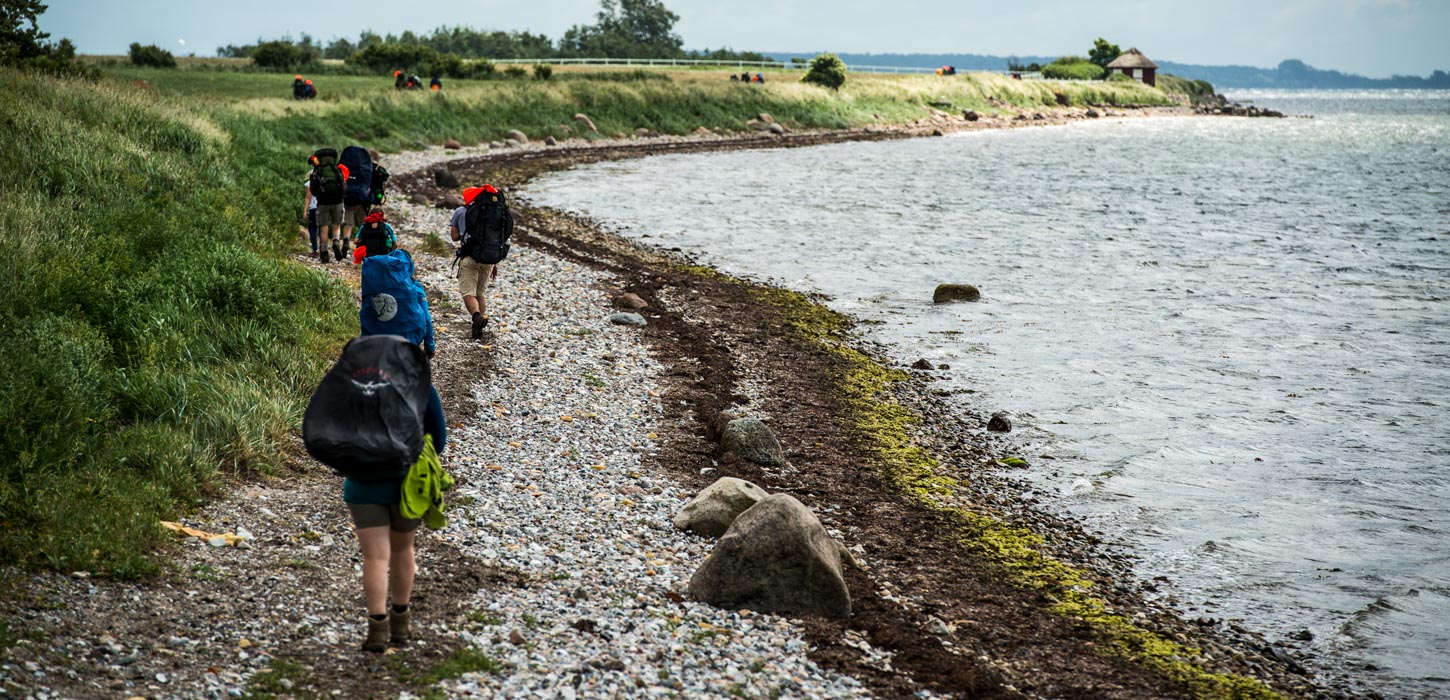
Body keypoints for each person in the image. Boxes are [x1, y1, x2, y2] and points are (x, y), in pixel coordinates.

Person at [343, 373, 445, 652]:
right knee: (403, 550)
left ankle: (377, 629)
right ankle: (401, 624)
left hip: (363, 486)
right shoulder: (423, 389)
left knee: (374, 557)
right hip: (408, 485)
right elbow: (439, 441)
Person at [449, 186, 502, 340]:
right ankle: (480, 324)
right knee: (480, 293)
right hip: (489, 258)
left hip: (470, 257)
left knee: (468, 293)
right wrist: (495, 263)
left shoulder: (460, 211)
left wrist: (465, 233)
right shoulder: (490, 213)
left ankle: (476, 317)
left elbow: (454, 236)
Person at [310, 152, 350, 264]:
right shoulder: (337, 170)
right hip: (338, 202)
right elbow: (344, 186)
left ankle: (324, 252)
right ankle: (336, 241)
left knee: (324, 227)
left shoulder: (317, 171)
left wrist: (319, 196)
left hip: (323, 203)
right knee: (336, 225)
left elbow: (313, 189)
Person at [301, 175, 319, 258]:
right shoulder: (327, 181)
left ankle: (315, 249)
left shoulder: (310, 182)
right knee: (323, 228)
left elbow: (308, 197)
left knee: (312, 228)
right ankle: (324, 250)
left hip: (314, 208)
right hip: (325, 208)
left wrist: (305, 211)